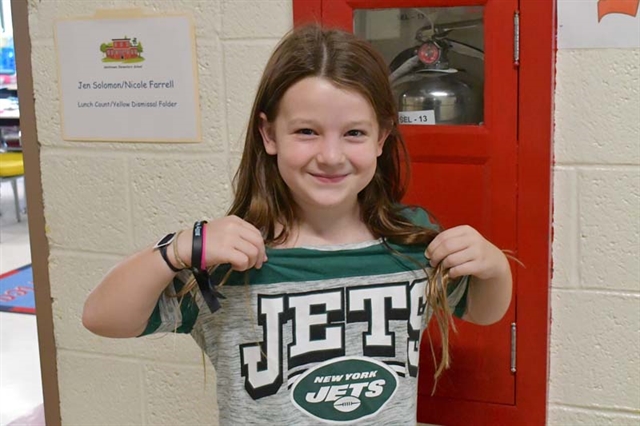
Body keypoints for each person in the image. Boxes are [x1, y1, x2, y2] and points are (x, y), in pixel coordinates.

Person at [83, 24, 512, 425]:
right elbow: (102, 318)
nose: (330, 155)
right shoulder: (228, 255)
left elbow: (481, 310)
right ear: (269, 135)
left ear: (382, 137)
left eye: (354, 133)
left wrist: (495, 266)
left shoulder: (410, 239)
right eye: (306, 131)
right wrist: (176, 251)